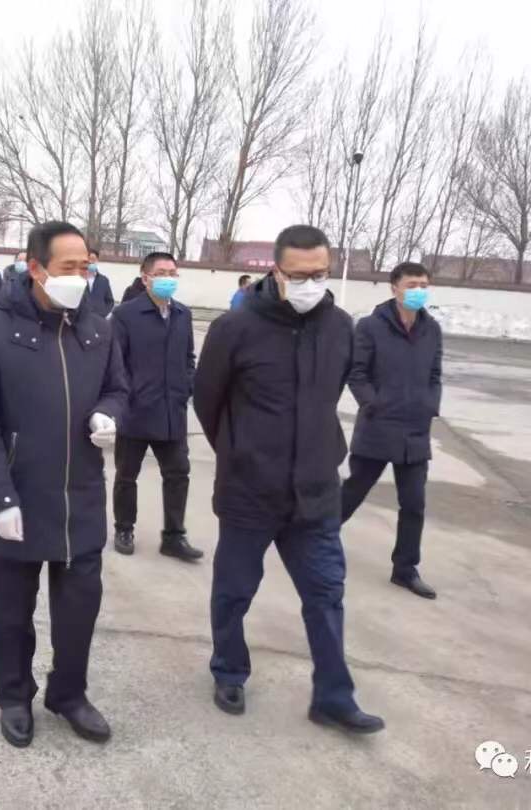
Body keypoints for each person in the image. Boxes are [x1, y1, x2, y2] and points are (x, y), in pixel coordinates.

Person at [193, 224, 384, 734]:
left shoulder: (340, 326)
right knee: (234, 590)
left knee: (326, 594)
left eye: (319, 274)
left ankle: (334, 698)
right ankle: (229, 670)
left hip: (315, 493)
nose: (310, 284)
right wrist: (240, 452)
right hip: (249, 492)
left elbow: (330, 394)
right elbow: (207, 400)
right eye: (299, 275)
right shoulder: (235, 328)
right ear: (275, 271)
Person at [0, 220, 128, 749]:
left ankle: (68, 694)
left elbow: (119, 388)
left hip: (81, 495)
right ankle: (14, 696)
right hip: (19, 495)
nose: (80, 276)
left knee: (79, 610)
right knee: (10, 612)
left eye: (86, 267)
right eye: (67, 267)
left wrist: (108, 413)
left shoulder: (98, 329)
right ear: (35, 268)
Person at [340, 261, 442, 600]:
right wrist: (373, 404)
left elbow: (434, 375)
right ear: (394, 287)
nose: (419, 291)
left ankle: (405, 569)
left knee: (414, 504)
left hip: (415, 431)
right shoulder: (371, 326)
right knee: (353, 491)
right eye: (412, 285)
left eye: (424, 285)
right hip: (379, 426)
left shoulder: (432, 329)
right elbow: (357, 373)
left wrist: (430, 405)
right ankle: (314, 538)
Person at [111, 252, 202, 562]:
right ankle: (124, 528)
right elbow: (115, 362)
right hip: (135, 411)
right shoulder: (126, 314)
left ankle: (174, 536)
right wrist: (128, 395)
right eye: (161, 272)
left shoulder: (182, 314)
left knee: (178, 474)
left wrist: (186, 386)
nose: (168, 278)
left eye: (173, 273)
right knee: (127, 475)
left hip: (172, 412)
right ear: (145, 277)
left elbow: (189, 358)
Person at [85, 248, 115, 317]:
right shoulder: (80, 279)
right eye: (88, 259)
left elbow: (110, 301)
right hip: (82, 319)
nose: (91, 262)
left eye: (93, 259)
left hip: (98, 319)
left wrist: (103, 314)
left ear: (97, 261)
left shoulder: (104, 280)